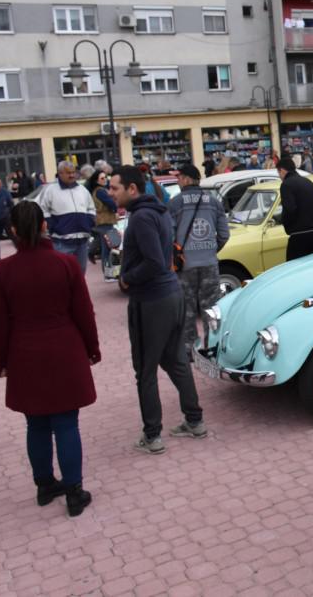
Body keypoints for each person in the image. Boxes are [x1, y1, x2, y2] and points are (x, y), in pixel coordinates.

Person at [0, 201, 100, 517]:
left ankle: (45, 485)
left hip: (24, 355)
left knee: (35, 424)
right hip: (64, 350)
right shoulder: (65, 265)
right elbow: (83, 313)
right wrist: (92, 349)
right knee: (66, 423)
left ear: (12, 231)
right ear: (44, 226)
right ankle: (75, 492)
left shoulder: (4, 270)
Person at [109, 166, 206, 454]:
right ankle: (195, 420)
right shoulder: (159, 210)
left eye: (115, 188)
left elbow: (153, 262)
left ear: (132, 189)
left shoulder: (140, 217)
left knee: (146, 370)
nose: (110, 193)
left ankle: (152, 436)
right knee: (175, 360)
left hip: (151, 300)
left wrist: (127, 277)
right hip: (171, 295)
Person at [168, 165, 229, 355]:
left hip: (185, 265)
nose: (178, 181)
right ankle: (211, 346)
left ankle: (189, 349)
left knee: (186, 308)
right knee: (211, 308)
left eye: (179, 178)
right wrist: (211, 249)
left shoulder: (175, 203)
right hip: (209, 263)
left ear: (187, 179)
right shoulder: (214, 201)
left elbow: (168, 235)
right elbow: (224, 234)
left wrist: (178, 254)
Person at [37, 161, 97, 273]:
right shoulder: (50, 191)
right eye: (68, 173)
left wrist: (88, 223)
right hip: (61, 243)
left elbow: (91, 208)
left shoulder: (82, 190)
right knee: (62, 273)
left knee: (80, 274)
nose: (72, 175)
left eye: (73, 172)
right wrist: (53, 227)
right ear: (60, 173)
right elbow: (43, 210)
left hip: (82, 243)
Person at [277, 156, 313, 261]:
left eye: (278, 173)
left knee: (295, 269)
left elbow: (289, 209)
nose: (279, 177)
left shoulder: (286, 185)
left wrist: (286, 224)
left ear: (282, 170)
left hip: (298, 236)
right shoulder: (308, 182)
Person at [86, 169, 117, 276]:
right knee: (109, 247)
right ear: (96, 180)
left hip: (102, 222)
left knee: (104, 244)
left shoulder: (97, 190)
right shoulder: (100, 191)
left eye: (106, 177)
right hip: (105, 223)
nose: (105, 180)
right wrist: (116, 207)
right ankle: (108, 273)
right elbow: (111, 203)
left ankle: (91, 253)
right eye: (102, 178)